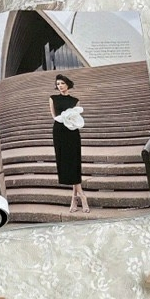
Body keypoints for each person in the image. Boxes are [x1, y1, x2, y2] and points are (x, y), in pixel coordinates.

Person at [49, 74, 88, 214]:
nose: (60, 86)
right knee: (65, 163)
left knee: (74, 162)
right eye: (58, 84)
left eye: (62, 83)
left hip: (72, 132)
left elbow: (77, 118)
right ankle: (81, 196)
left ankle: (75, 198)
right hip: (59, 132)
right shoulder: (53, 98)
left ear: (67, 84)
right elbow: (54, 116)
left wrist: (71, 122)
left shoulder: (75, 101)